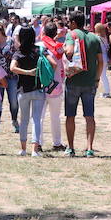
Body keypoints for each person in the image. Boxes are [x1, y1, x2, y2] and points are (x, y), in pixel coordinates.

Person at [63, 11, 103, 157]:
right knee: (89, 116)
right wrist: (97, 79)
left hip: (73, 81)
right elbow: (101, 62)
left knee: (70, 116)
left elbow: (69, 51)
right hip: (89, 82)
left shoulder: (71, 35)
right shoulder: (94, 37)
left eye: (69, 22)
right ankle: (89, 148)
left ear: (73, 23)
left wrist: (63, 49)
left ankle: (71, 147)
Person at [11, 26, 54, 157]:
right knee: (36, 119)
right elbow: (53, 63)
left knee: (23, 120)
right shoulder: (40, 50)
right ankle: (35, 150)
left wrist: (27, 72)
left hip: (23, 90)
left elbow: (12, 68)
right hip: (38, 89)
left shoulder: (18, 52)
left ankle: (23, 149)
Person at [38, 22, 66, 151]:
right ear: (55, 34)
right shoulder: (59, 48)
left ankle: (37, 143)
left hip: (41, 84)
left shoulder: (39, 46)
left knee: (40, 116)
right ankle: (57, 142)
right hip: (56, 84)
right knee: (55, 117)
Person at [0, 24, 18, 134]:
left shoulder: (11, 42)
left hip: (12, 77)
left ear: (0, 33)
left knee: (14, 101)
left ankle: (14, 120)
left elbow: (18, 55)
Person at [94, 23, 111, 98]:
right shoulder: (104, 37)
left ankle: (107, 92)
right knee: (103, 75)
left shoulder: (97, 38)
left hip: (100, 57)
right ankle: (106, 91)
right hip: (105, 57)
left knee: (102, 75)